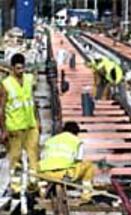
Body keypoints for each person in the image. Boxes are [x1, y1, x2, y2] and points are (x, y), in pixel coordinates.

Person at [0, 53, 40, 194]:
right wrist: (3, 130)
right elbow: (2, 108)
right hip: (14, 127)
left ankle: (33, 183)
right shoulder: (6, 84)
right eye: (18, 69)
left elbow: (32, 101)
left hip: (30, 125)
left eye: (22, 68)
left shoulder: (29, 79)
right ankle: (16, 186)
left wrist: (37, 120)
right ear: (12, 68)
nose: (21, 71)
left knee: (33, 154)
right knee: (15, 157)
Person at [38, 122, 95, 203]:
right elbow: (78, 160)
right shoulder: (77, 141)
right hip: (63, 174)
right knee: (89, 165)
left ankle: (42, 186)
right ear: (76, 132)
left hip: (45, 174)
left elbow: (42, 157)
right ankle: (86, 195)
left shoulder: (50, 140)